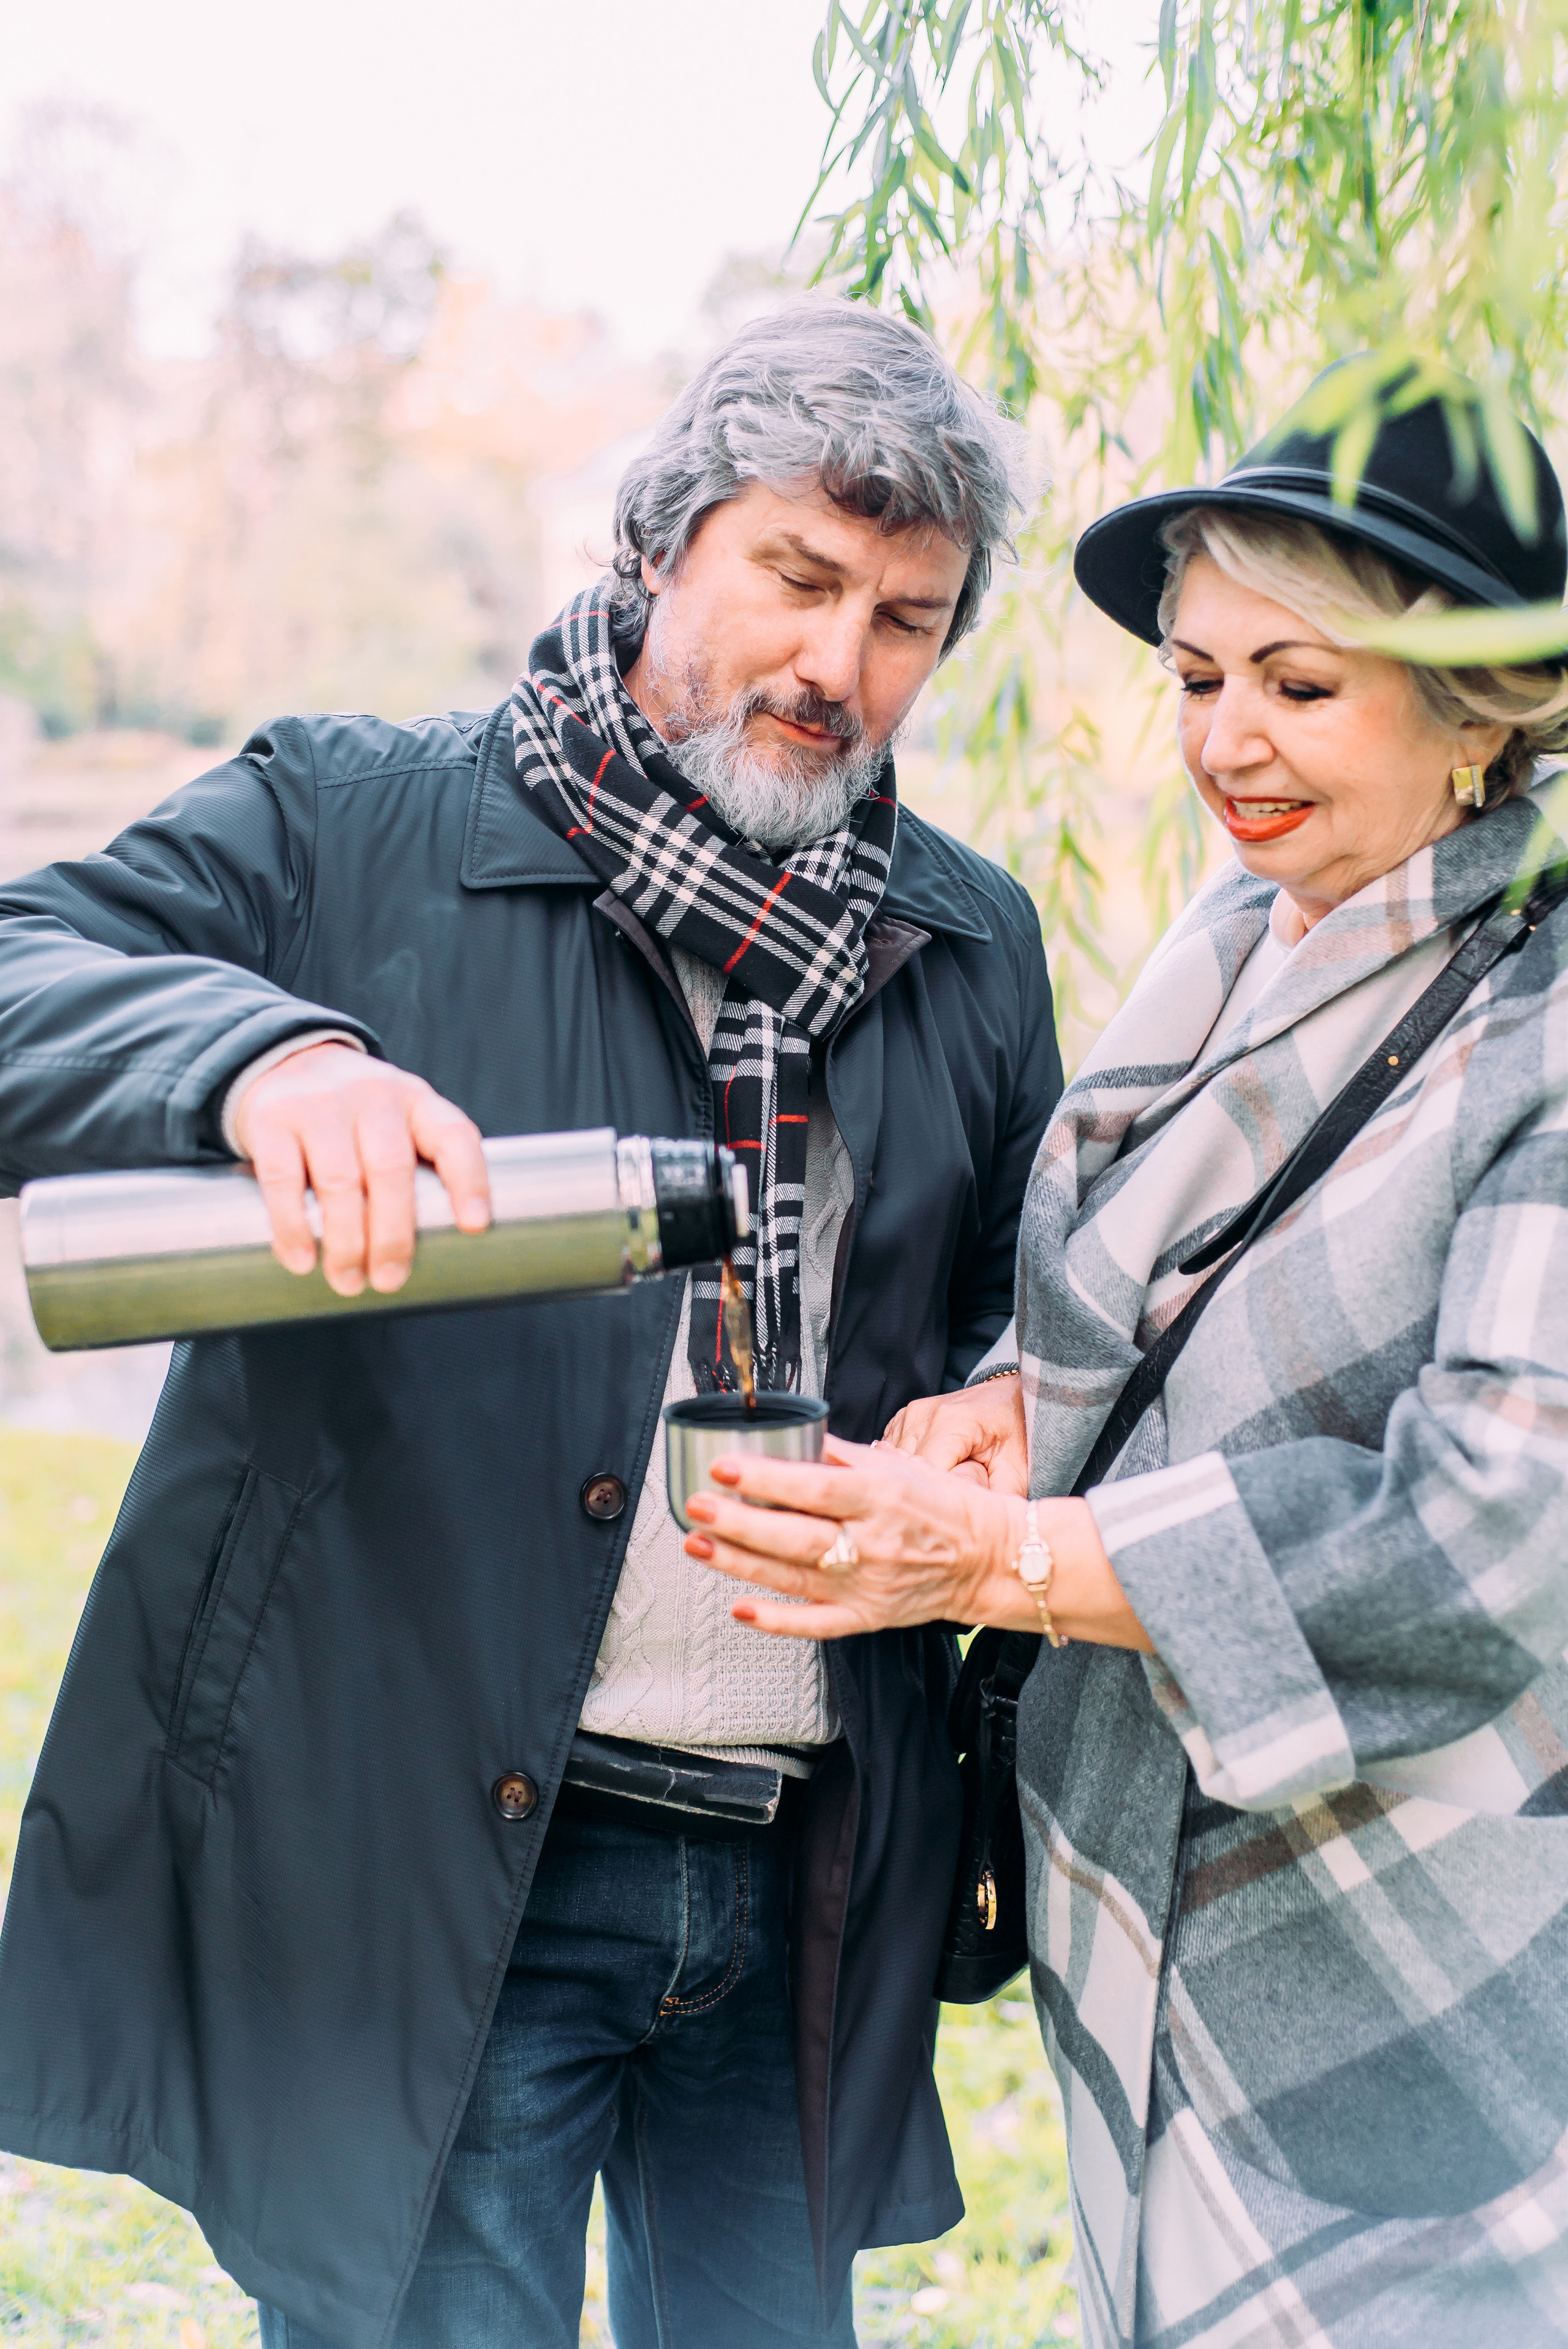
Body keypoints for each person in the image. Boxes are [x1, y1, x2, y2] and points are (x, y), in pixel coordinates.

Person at [0, 300, 1063, 2349]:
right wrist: (257, 1055)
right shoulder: (351, 818)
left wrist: (1012, 1392)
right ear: (663, 543)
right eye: (799, 578)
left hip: (807, 1871)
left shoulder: (970, 935)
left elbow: (1034, 1285)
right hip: (447, 1855)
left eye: (908, 619)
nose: (840, 667)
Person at [679, 366, 1568, 2347]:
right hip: (1149, 1904)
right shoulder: (1243, 933)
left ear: (1486, 701)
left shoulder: (1546, 1018)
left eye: (1303, 685)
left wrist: (999, 1566)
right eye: (1196, 678)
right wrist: (1024, 1398)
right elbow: (1158, 1290)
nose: (1226, 742)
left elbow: (1504, 1532)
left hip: (1404, 1941)